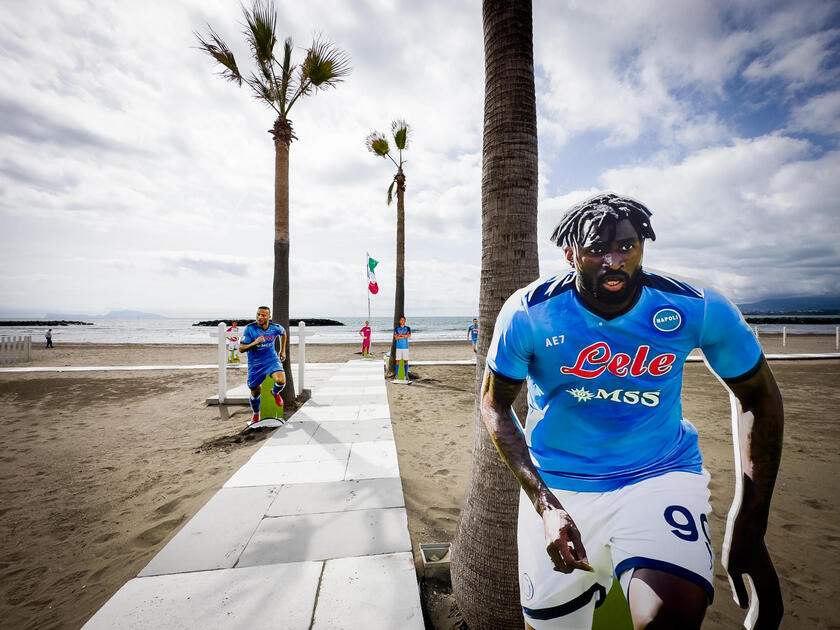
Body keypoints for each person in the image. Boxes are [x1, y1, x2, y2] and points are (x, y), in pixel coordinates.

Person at [482, 193, 783, 629]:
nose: (614, 260)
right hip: (560, 486)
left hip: (658, 476)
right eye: (597, 249)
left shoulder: (694, 306)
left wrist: (750, 520)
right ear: (570, 254)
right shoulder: (530, 313)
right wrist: (545, 505)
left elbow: (760, 398)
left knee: (668, 618)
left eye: (626, 246)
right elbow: (494, 405)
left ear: (643, 244)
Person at [239, 306, 286, 425]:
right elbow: (241, 349)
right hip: (255, 364)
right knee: (255, 391)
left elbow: (283, 332)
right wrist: (255, 342)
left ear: (269, 317)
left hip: (271, 359)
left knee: (281, 381)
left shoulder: (275, 328)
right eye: (258, 314)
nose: (260, 317)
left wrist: (282, 350)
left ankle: (275, 392)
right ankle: (256, 413)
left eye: (263, 315)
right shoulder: (250, 329)